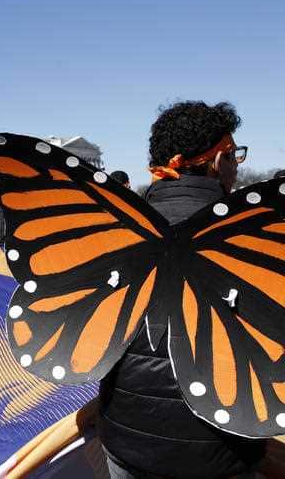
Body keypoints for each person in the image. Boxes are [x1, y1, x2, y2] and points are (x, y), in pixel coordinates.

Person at [98, 101, 262, 478]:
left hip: (127, 441)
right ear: (218, 160)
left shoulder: (112, 231)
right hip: (223, 448)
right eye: (234, 154)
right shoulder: (253, 234)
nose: (237, 165)